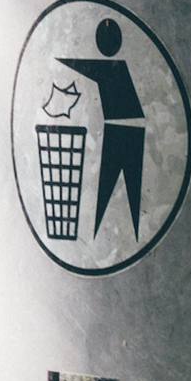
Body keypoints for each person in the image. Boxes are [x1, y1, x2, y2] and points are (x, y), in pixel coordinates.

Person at [59, 18, 145, 238]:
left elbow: (90, 69)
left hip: (121, 132)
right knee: (123, 193)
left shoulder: (114, 68)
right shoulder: (118, 67)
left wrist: (64, 60)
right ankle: (121, 233)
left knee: (117, 191)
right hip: (130, 128)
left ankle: (122, 234)